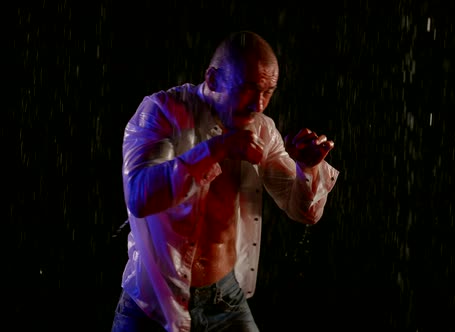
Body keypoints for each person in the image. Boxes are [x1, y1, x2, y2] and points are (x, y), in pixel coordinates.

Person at [111, 31, 339, 332]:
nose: (258, 104)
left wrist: (306, 168)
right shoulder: (162, 111)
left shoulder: (263, 131)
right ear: (214, 78)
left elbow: (304, 212)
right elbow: (139, 197)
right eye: (248, 88)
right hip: (154, 301)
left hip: (226, 299)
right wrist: (217, 149)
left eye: (268, 91)